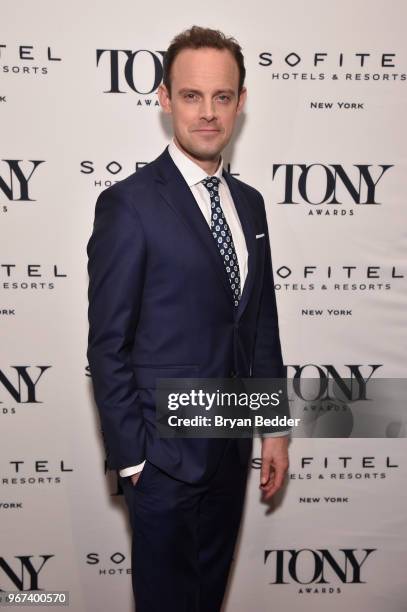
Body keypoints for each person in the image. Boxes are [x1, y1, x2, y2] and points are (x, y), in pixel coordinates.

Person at [87, 25, 289, 612]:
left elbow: (259, 325)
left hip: (230, 447)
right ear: (165, 98)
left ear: (241, 102)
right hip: (163, 464)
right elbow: (107, 345)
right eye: (192, 96)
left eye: (222, 97)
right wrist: (135, 463)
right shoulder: (130, 203)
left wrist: (272, 427)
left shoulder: (248, 203)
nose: (207, 113)